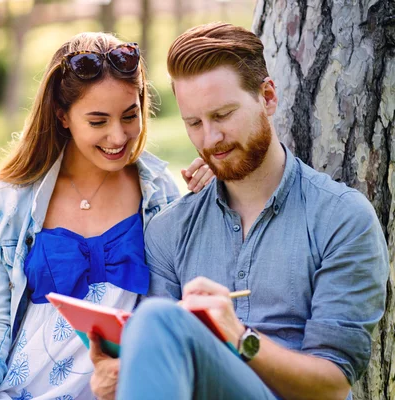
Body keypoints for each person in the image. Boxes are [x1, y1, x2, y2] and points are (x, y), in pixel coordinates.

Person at [88, 22, 389, 400]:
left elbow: (332, 385)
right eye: (194, 123)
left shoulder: (342, 219)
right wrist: (119, 374)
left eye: (223, 115)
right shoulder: (170, 230)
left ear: (267, 97)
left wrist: (240, 336)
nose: (210, 139)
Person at [0, 32, 213, 400]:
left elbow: (179, 305)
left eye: (129, 115)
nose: (118, 136)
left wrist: (216, 189)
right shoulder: (4, 205)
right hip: (17, 390)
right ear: (62, 116)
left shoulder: (160, 194)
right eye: (97, 121)